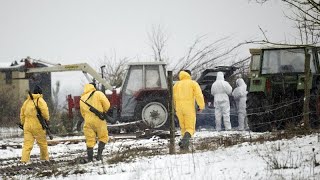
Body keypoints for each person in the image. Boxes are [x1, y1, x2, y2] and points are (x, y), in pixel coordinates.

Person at [173, 70, 205, 150]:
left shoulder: (176, 85)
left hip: (178, 109)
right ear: (189, 75)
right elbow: (199, 95)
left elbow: (172, 98)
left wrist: (174, 108)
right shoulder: (193, 83)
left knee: (183, 127)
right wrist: (201, 106)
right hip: (189, 108)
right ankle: (184, 141)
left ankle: (185, 146)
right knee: (190, 128)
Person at [80, 83, 110, 162]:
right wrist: (104, 111)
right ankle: (99, 156)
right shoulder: (98, 93)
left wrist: (87, 118)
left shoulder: (82, 98)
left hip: (87, 121)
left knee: (90, 139)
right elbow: (107, 105)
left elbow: (82, 113)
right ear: (94, 87)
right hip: (99, 120)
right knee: (103, 137)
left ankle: (90, 158)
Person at [20, 85, 50, 163]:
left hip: (27, 126)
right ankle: (44, 159)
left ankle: (24, 160)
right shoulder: (40, 100)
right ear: (40, 92)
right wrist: (47, 120)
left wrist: (23, 123)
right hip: (38, 125)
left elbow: (22, 114)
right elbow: (45, 113)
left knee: (27, 145)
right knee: (42, 143)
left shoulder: (27, 101)